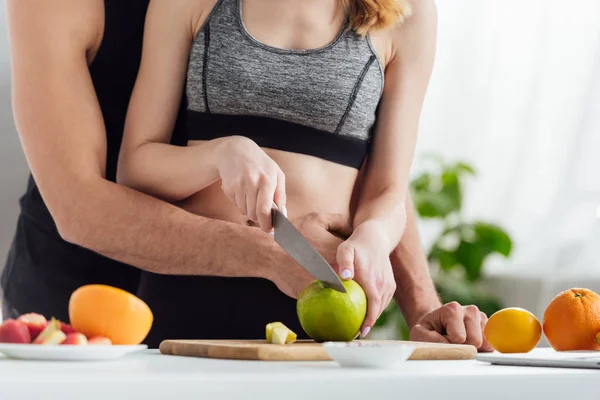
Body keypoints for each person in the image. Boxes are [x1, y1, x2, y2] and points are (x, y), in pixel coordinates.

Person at [2, 0, 492, 352]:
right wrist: (277, 253)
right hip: (79, 287)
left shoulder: (398, 19)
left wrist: (420, 305)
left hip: (304, 291)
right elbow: (81, 208)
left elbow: (371, 167)